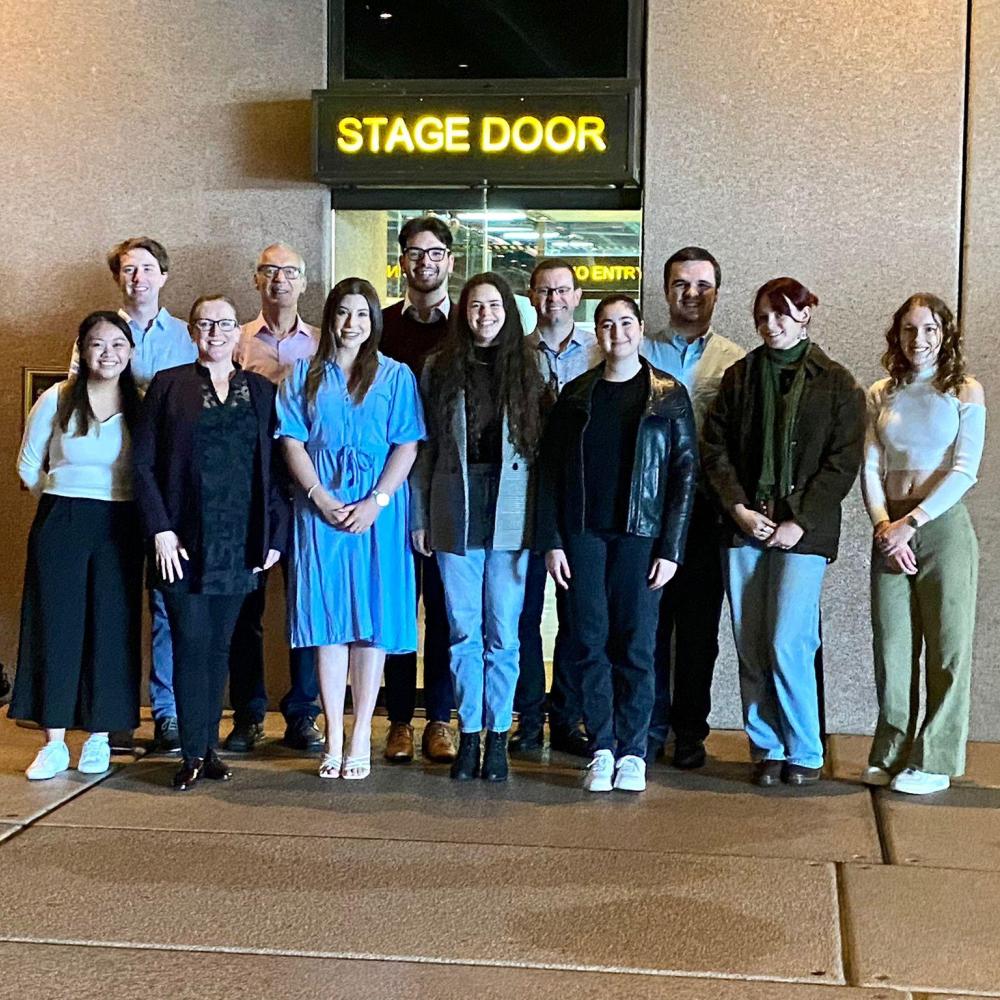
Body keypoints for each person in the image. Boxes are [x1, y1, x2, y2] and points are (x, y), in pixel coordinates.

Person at [701, 277, 864, 787]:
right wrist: (739, 509)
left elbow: (842, 462)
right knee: (749, 640)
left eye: (783, 315)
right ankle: (766, 747)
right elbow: (715, 448)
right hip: (746, 524)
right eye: (763, 317)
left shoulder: (836, 382)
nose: (772, 325)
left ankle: (805, 748)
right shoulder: (741, 375)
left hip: (804, 531)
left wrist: (800, 519)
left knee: (787, 639)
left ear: (806, 314)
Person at [536, 294, 697, 794]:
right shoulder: (577, 395)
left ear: (641, 329)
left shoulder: (668, 395)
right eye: (606, 325)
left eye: (625, 323)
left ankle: (634, 750)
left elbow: (684, 475)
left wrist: (671, 548)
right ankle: (601, 745)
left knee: (637, 645)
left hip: (641, 537)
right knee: (588, 640)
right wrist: (553, 541)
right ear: (596, 332)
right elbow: (550, 473)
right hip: (583, 534)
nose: (617, 333)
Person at [132, 295, 288, 791]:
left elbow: (278, 470)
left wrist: (275, 538)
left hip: (240, 543)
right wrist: (159, 528)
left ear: (237, 332)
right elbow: (141, 464)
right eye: (205, 324)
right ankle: (191, 753)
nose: (215, 332)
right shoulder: (168, 385)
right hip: (179, 542)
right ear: (193, 332)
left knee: (221, 647)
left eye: (223, 324)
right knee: (187, 643)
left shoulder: (262, 392)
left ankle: (209, 748)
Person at [277, 278, 424, 781]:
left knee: (371, 625)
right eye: (343, 312)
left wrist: (377, 501)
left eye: (362, 314)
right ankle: (333, 737)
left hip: (378, 513)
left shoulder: (396, 376)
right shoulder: (302, 375)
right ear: (330, 318)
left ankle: (362, 732)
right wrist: (320, 494)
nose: (351, 323)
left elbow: (406, 445)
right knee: (328, 625)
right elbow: (292, 441)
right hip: (321, 509)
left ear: (374, 322)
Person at [411, 272, 544, 782]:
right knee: (462, 629)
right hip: (453, 505)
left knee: (503, 634)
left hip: (512, 510)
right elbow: (423, 452)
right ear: (463, 314)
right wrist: (420, 517)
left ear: (508, 312)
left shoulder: (529, 368)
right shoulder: (437, 369)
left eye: (493, 306)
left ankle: (498, 738)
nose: (484, 314)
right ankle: (468, 734)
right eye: (475, 306)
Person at [70, 237, 198, 755]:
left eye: (147, 269)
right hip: (107, 490)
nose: (138, 278)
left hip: (165, 490)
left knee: (168, 604)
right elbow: (74, 406)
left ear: (164, 276)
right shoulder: (97, 335)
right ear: (118, 277)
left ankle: (167, 713)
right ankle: (113, 711)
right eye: (128, 269)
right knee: (113, 604)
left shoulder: (188, 337)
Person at [861, 294, 985, 795]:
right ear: (898, 336)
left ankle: (935, 759)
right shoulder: (881, 392)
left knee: (947, 647)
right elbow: (870, 467)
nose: (920, 340)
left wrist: (913, 521)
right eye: (910, 331)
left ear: (945, 333)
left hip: (942, 526)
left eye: (930, 329)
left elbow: (965, 469)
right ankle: (890, 752)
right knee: (892, 646)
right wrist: (884, 524)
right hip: (889, 529)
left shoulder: (964, 391)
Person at [12, 312, 144, 779]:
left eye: (116, 344)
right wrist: (61, 499)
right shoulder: (57, 398)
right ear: (82, 349)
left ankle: (100, 737)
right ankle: (53, 740)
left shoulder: (142, 403)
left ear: (130, 351)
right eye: (96, 344)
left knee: (112, 626)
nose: (106, 353)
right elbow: (28, 466)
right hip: (62, 518)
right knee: (57, 625)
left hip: (121, 522)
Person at [640, 247, 745, 768]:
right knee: (649, 625)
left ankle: (689, 732)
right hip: (647, 512)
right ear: (666, 291)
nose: (691, 294)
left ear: (716, 293)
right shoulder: (637, 349)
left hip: (705, 514)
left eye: (702, 285)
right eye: (681, 284)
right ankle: (650, 725)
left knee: (699, 630)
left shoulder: (735, 359)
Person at [226, 243, 322, 754]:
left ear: (304, 282)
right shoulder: (235, 340)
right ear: (256, 279)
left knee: (305, 604)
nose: (279, 279)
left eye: (290, 272)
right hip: (251, 490)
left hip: (307, 489)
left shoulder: (324, 345)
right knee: (247, 607)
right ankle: (247, 713)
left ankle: (303, 713)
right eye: (269, 271)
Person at [510, 258, 600, 757]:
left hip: (579, 495)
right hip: (524, 495)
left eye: (562, 291)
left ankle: (568, 716)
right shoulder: (517, 355)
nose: (554, 300)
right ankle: (527, 716)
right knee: (523, 613)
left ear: (577, 295)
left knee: (576, 613)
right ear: (531, 296)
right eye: (544, 291)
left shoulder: (599, 350)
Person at [379, 216, 457, 765]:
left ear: (450, 260)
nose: (424, 261)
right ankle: (400, 720)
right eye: (414, 252)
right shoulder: (379, 327)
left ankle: (441, 720)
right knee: (401, 607)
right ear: (402, 261)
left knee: (449, 609)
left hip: (453, 488)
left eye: (434, 252)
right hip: (388, 488)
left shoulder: (472, 325)